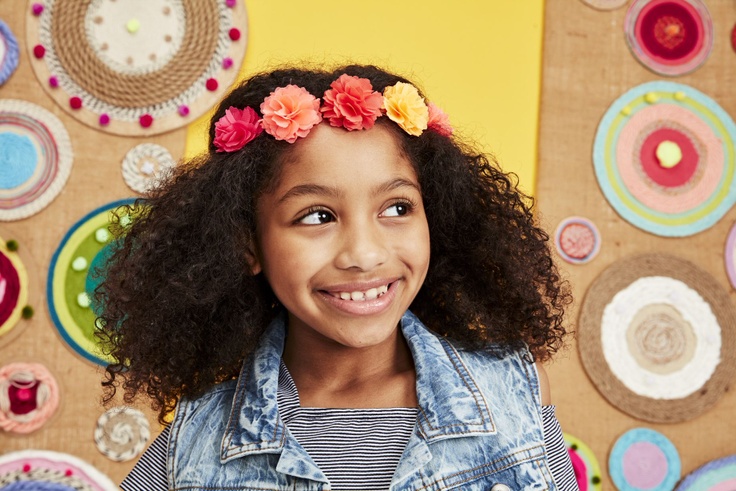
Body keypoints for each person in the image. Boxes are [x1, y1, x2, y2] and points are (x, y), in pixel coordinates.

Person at [96, 64, 577, 490]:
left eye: (396, 207)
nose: (365, 255)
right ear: (248, 244)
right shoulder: (197, 440)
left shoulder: (514, 388)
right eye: (317, 216)